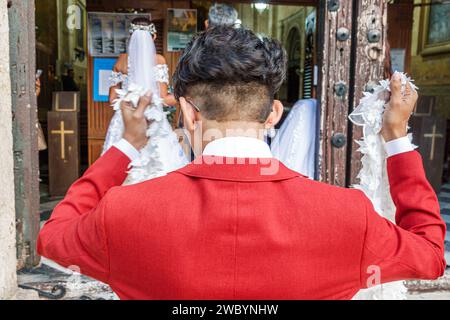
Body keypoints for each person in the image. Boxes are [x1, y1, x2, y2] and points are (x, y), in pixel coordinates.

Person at [37, 27, 446, 300]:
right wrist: (395, 138)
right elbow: (430, 256)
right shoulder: (348, 216)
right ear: (273, 115)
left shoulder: (123, 212)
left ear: (188, 114)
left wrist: (125, 147)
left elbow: (52, 237)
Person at [103, 17, 187, 184]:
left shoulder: (120, 61)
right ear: (153, 37)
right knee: (158, 165)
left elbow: (112, 98)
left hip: (124, 121)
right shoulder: (158, 60)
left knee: (122, 165)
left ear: (131, 37)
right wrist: (182, 96)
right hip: (151, 120)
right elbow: (163, 99)